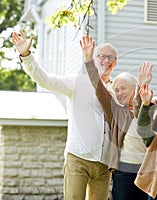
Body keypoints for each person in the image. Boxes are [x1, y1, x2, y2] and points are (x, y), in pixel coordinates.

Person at [11, 30, 117, 199]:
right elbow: (45, 79)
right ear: (92, 59)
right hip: (78, 158)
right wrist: (26, 55)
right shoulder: (77, 82)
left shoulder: (117, 90)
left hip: (104, 164)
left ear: (115, 63)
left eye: (111, 58)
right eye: (101, 56)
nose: (106, 61)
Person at [80, 35, 147, 200]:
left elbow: (141, 108)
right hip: (123, 172)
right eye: (116, 90)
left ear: (134, 88)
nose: (119, 93)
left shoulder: (147, 108)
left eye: (123, 88)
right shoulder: (116, 112)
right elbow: (99, 88)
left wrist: (142, 86)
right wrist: (89, 60)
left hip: (146, 170)